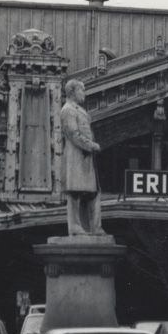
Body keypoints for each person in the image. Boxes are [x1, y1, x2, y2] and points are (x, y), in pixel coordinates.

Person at [60, 79, 104, 236]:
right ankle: (75, 227)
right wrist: (91, 145)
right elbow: (73, 134)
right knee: (75, 193)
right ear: (73, 92)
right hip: (76, 158)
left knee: (92, 192)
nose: (84, 94)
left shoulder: (80, 110)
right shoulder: (68, 110)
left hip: (85, 159)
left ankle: (94, 228)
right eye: (82, 90)